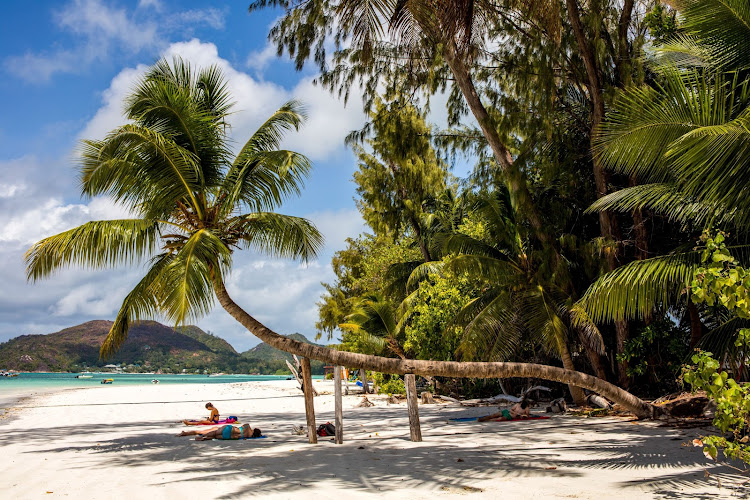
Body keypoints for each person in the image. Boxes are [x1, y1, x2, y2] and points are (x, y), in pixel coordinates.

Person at [178, 424, 262, 441]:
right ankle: (205, 438)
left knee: (214, 432)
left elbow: (244, 425)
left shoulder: (248, 427)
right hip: (229, 437)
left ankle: (185, 433)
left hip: (230, 429)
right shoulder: (248, 436)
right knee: (215, 436)